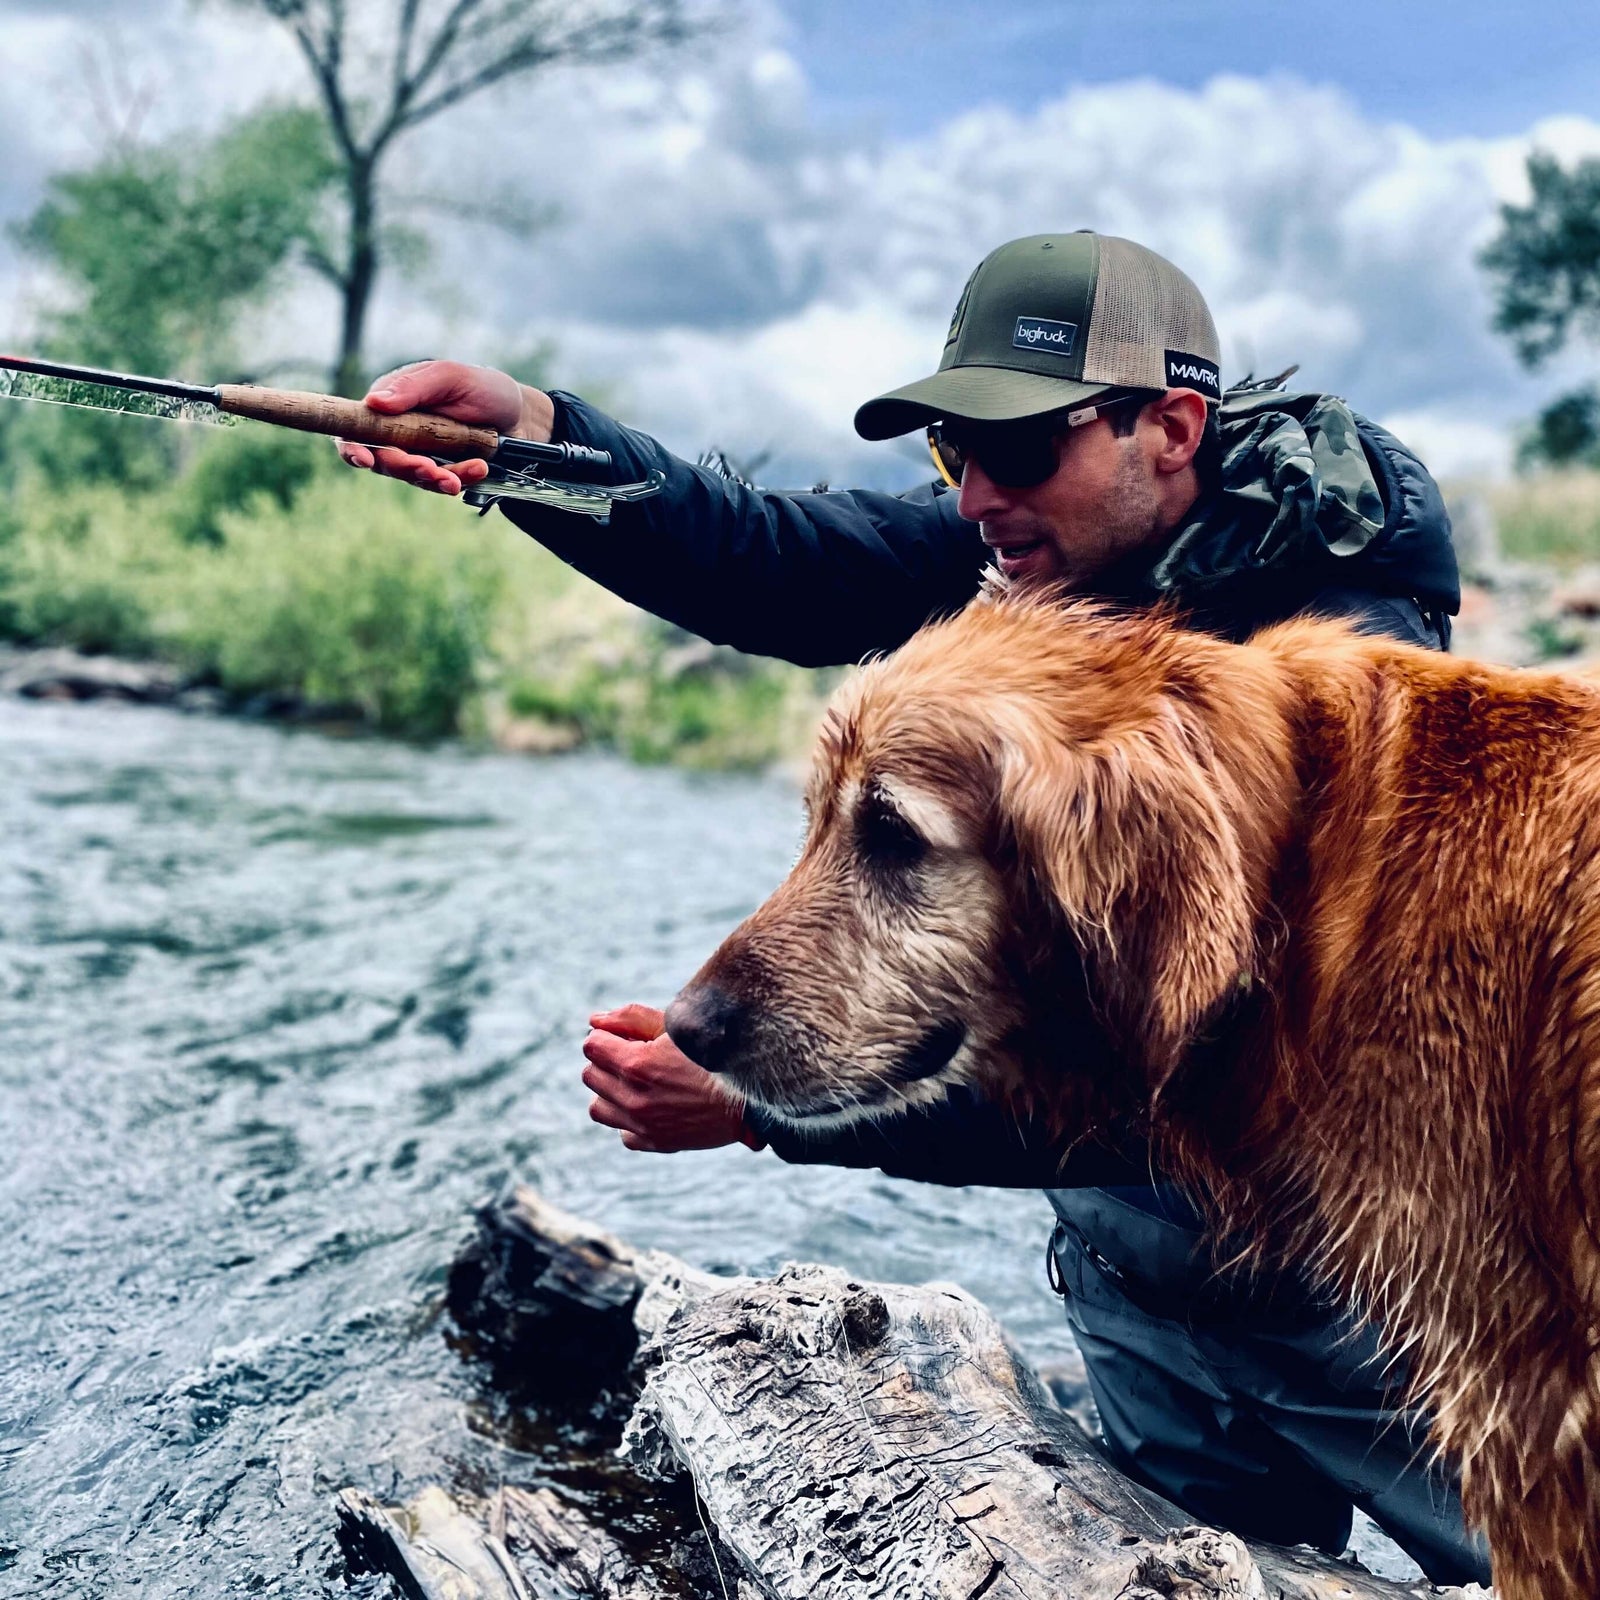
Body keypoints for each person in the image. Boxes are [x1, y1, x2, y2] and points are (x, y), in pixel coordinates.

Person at [338, 231, 1488, 1585]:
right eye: (955, 453)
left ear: (1170, 429)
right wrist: (535, 439)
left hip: (1371, 1297)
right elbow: (770, 556)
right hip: (1137, 1284)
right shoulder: (1035, 562)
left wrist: (764, 1112)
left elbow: (1201, 1076)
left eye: (1020, 450)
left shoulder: (1342, 675)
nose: (978, 495)